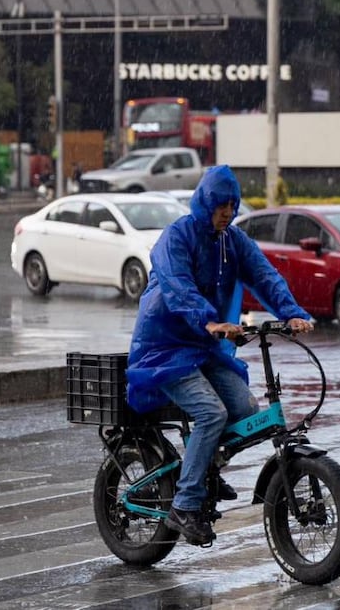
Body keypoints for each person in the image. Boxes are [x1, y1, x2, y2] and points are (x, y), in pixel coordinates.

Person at [125, 165, 313, 546]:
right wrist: (208, 320)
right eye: (220, 204)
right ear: (205, 202)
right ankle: (185, 505)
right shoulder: (177, 236)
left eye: (232, 204)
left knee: (245, 410)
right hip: (165, 348)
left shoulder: (233, 241)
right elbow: (178, 284)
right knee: (212, 414)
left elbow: (264, 274)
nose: (227, 212)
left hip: (204, 345)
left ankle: (204, 466)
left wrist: (290, 312)